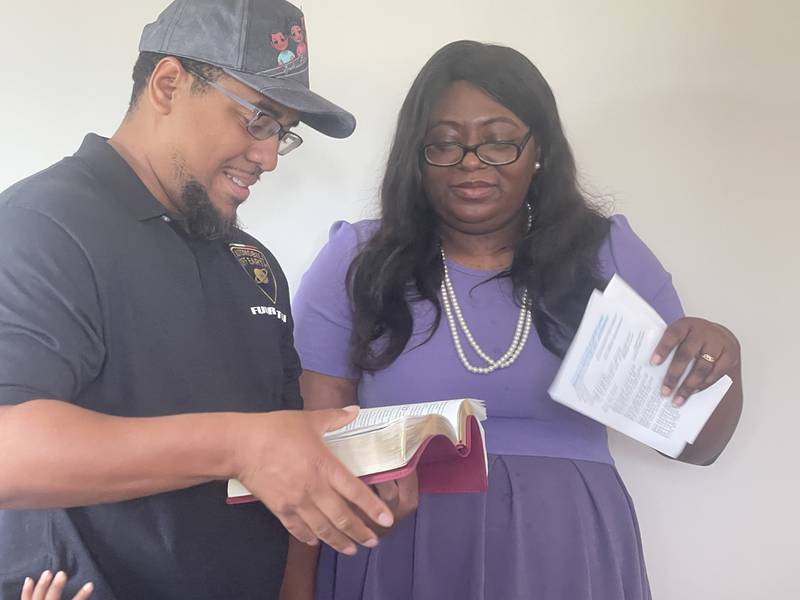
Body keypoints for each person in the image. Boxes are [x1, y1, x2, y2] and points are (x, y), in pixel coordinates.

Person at [281, 40, 744, 600]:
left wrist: (725, 357)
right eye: (445, 144)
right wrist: (295, 588)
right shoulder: (358, 260)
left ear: (539, 148)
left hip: (567, 555)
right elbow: (305, 449)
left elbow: (698, 447)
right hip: (400, 552)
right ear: (417, 156)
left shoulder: (608, 253)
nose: (472, 162)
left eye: (499, 141)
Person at [0, 1, 396, 599]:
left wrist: (351, 473)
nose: (267, 157)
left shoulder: (253, 264)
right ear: (168, 84)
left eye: (281, 134)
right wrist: (241, 444)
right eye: (257, 120)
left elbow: (279, 451)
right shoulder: (45, 223)